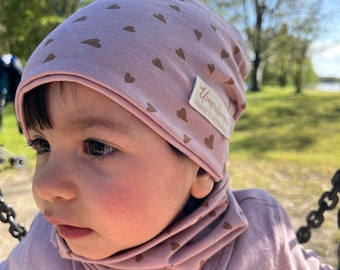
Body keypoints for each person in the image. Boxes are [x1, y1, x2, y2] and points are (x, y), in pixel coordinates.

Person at [0, 0, 334, 269]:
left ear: (202, 167)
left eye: (98, 147)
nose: (45, 186)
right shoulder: (43, 251)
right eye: (42, 144)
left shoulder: (260, 241)